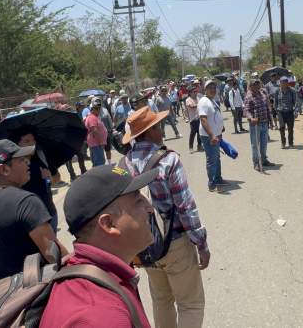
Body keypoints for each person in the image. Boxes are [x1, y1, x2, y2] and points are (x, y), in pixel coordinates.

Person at [122, 107, 210, 328]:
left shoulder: (124, 165)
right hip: (175, 243)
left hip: (145, 245)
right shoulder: (168, 160)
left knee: (161, 301)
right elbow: (185, 205)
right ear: (149, 131)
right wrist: (201, 243)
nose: (161, 130)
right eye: (158, 126)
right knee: (190, 304)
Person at [40, 165, 156, 328]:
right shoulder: (102, 317)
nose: (150, 208)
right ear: (108, 223)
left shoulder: (91, 272)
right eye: (138, 200)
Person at [0, 139, 67, 283]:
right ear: (4, 169)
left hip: (0, 292)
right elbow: (54, 254)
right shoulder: (26, 202)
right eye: (21, 160)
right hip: (33, 290)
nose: (28, 163)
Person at [13, 131, 61, 229]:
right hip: (30, 217)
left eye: (33, 140)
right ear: (18, 144)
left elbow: (57, 177)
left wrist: (49, 179)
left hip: (49, 211)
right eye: (27, 141)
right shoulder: (13, 164)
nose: (32, 143)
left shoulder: (41, 156)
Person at [198, 80, 225, 192]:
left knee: (217, 157)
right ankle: (211, 182)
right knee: (212, 159)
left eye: (214, 87)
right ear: (205, 90)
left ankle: (218, 178)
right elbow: (203, 120)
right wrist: (211, 135)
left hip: (216, 134)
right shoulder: (203, 101)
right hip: (209, 136)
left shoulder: (212, 100)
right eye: (210, 88)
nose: (213, 90)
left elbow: (214, 114)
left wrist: (221, 126)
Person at [245, 78, 274, 171]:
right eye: (254, 84)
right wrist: (251, 118)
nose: (257, 86)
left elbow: (267, 108)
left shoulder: (263, 94)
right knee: (255, 145)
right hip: (255, 125)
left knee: (264, 144)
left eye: (258, 84)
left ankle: (264, 159)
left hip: (264, 123)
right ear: (250, 86)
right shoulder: (248, 97)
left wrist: (271, 121)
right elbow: (246, 110)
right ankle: (256, 163)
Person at [274, 76, 297, 148]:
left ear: (287, 83)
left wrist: (295, 111)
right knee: (282, 127)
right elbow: (276, 103)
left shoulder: (292, 90)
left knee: (290, 128)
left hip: (290, 111)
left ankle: (291, 143)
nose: (284, 84)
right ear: (280, 83)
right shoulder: (277, 91)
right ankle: (283, 143)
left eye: (286, 82)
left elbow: (295, 102)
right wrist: (276, 113)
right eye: (282, 82)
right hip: (280, 112)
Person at [85, 98, 108, 167]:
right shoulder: (92, 117)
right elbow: (94, 130)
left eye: (99, 108)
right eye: (96, 108)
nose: (98, 110)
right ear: (92, 109)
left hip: (96, 144)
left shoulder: (94, 117)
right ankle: (100, 177)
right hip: (96, 144)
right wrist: (101, 142)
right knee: (100, 163)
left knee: (98, 162)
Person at [185, 85, 203, 153]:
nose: (195, 93)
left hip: (199, 118)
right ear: (190, 93)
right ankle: (191, 147)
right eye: (194, 91)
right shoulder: (188, 100)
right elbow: (191, 106)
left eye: (196, 91)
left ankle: (199, 146)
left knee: (199, 133)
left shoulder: (198, 98)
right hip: (193, 119)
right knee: (193, 133)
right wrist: (199, 105)